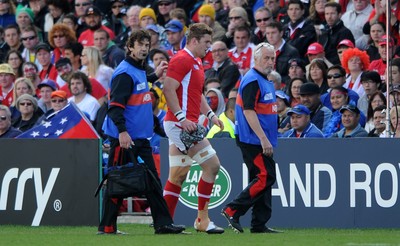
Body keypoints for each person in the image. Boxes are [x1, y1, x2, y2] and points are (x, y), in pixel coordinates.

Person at [99, 28, 184, 235]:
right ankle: (107, 227)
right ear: (129, 47)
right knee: (117, 182)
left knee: (153, 182)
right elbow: (115, 107)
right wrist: (122, 133)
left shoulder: (137, 69)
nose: (145, 49)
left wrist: (156, 75)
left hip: (139, 138)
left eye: (147, 45)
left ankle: (163, 224)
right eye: (140, 46)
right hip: (125, 138)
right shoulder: (124, 74)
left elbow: (140, 87)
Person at [162, 23, 224, 234]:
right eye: (206, 42)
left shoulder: (196, 61)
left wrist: (210, 115)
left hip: (183, 123)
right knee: (212, 165)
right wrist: (182, 118)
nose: (209, 47)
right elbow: (168, 89)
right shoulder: (181, 59)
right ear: (194, 40)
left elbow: (196, 95)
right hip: (181, 125)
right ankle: (202, 220)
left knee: (178, 174)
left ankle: (164, 221)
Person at [221, 42, 280, 234]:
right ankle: (233, 209)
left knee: (264, 178)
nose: (270, 61)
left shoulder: (263, 79)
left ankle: (259, 224)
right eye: (266, 58)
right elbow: (248, 111)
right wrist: (263, 138)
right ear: (255, 59)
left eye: (272, 58)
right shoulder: (253, 79)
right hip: (253, 139)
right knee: (265, 177)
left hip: (260, 139)